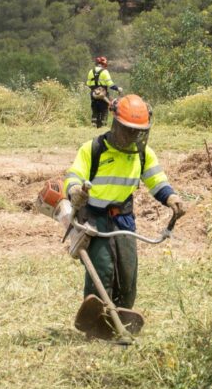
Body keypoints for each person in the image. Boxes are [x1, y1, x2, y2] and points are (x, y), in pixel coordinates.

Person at [63, 95, 186, 310]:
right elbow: (74, 175)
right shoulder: (93, 149)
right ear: (115, 123)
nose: (132, 135)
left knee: (128, 272)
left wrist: (171, 197)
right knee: (102, 269)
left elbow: (156, 180)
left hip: (124, 218)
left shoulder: (142, 154)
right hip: (93, 218)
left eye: (137, 131)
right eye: (127, 129)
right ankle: (96, 322)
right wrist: (74, 191)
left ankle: (122, 317)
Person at [86, 56, 121, 127]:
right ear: (104, 64)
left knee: (95, 110)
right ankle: (103, 125)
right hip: (103, 95)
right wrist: (118, 89)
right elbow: (110, 85)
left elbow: (88, 84)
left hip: (94, 94)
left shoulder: (91, 71)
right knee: (104, 110)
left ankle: (94, 125)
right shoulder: (105, 72)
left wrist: (96, 90)